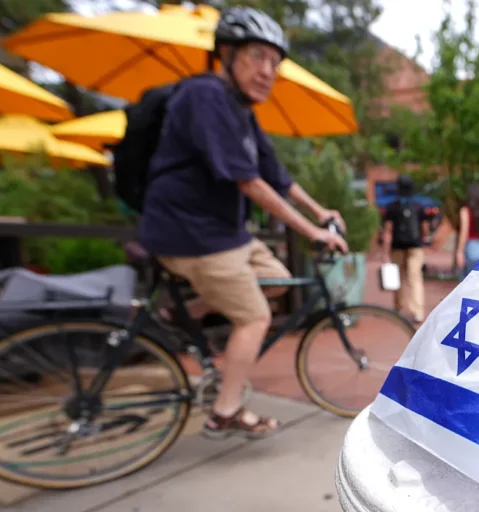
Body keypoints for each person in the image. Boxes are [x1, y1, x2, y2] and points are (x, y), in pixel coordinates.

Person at [137, 6, 349, 440]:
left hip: (225, 235)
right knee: (254, 318)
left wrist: (320, 211)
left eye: (275, 62)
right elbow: (248, 182)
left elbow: (277, 178)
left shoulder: (241, 112)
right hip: (191, 234)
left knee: (278, 281)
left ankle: (182, 313)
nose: (268, 71)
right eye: (257, 56)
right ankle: (225, 411)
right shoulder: (205, 96)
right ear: (227, 54)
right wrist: (311, 232)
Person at [380, 175, 430, 324]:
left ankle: (399, 308)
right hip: (415, 247)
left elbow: (388, 231)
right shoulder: (418, 206)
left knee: (399, 278)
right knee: (415, 278)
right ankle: (418, 311)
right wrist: (422, 240)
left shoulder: (392, 207)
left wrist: (385, 252)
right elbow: (425, 228)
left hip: (397, 247)